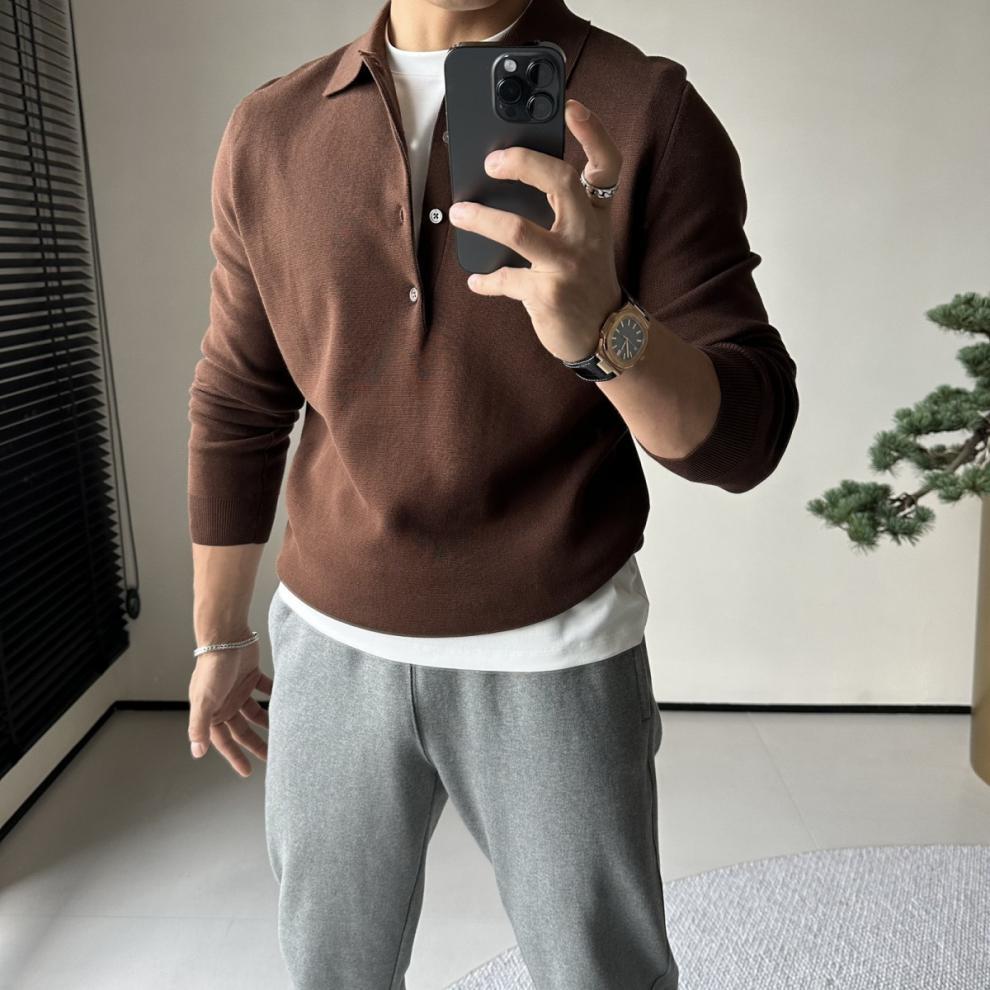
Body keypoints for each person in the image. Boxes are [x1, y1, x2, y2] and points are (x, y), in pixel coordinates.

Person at [184, 0, 799, 986]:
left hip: (555, 646)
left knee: (600, 973)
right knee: (329, 972)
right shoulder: (271, 128)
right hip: (330, 643)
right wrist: (219, 635)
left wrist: (609, 331)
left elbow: (745, 441)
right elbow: (238, 398)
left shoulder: (643, 108)